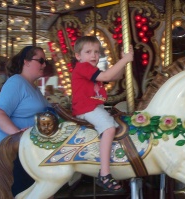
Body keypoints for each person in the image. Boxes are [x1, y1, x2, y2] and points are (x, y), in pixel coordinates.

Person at [71, 36, 134, 193]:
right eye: (88, 52)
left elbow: (116, 76)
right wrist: (125, 59)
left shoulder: (91, 70)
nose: (94, 55)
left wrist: (123, 60)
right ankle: (104, 173)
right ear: (78, 56)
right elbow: (106, 77)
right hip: (86, 108)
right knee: (108, 128)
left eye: (97, 52)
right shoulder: (82, 67)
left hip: (94, 107)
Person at [0, 46, 52, 197]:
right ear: (27, 62)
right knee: (18, 193)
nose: (44, 65)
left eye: (45, 61)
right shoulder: (16, 82)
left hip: (26, 149)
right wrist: (17, 134)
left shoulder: (35, 89)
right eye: (41, 60)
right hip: (7, 149)